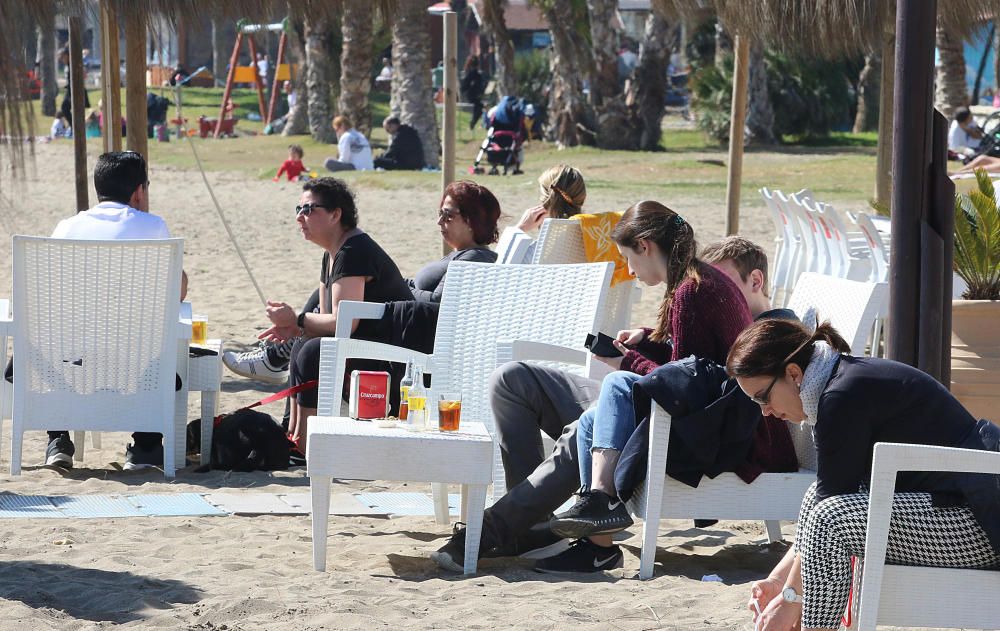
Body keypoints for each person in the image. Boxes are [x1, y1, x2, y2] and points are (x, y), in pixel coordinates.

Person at [432, 205, 757, 574]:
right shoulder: (694, 281)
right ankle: (533, 526)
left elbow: (683, 391)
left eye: (628, 258)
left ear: (645, 245)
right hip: (673, 411)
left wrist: (628, 363)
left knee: (587, 426)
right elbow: (692, 364)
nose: (630, 271)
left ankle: (500, 528)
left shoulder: (692, 291)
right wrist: (648, 342)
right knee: (511, 380)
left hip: (697, 430)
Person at [732, 319, 1000, 631]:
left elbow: (828, 515)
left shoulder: (840, 397)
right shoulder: (839, 381)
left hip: (980, 525)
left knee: (830, 520)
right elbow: (825, 496)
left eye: (762, 397)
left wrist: (791, 600)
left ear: (793, 373)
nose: (764, 411)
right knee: (818, 504)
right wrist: (778, 582)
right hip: (967, 509)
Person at [222, 181, 503, 383]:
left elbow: (440, 306)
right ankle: (285, 350)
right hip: (396, 328)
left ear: (471, 221)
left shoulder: (475, 259)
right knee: (325, 304)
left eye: (448, 214)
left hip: (408, 345)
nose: (439, 221)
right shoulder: (457, 256)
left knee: (317, 336)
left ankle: (283, 350)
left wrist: (404, 288)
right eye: (439, 213)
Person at [24, 151, 188, 470]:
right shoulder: (152, 226)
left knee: (41, 348)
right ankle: (145, 446)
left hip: (70, 362)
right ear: (139, 190)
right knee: (167, 357)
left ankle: (58, 439)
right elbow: (176, 292)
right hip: (133, 364)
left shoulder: (66, 228)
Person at [254, 178, 412, 450]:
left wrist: (297, 321)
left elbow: (344, 323)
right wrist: (297, 330)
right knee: (303, 345)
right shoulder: (333, 252)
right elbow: (328, 323)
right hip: (370, 348)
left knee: (311, 351)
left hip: (398, 362)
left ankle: (304, 446)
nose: (299, 217)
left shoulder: (354, 251)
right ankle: (292, 435)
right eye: (298, 209)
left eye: (308, 209)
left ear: (336, 214)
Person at [501, 164, 587, 264]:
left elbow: (499, 269)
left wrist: (520, 228)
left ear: (546, 198)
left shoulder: (540, 252)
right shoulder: (595, 238)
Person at [460, 56, 485, 131]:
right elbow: (464, 87)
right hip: (469, 96)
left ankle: (474, 124)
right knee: (479, 107)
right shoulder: (470, 73)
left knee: (480, 107)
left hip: (475, 95)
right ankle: (472, 124)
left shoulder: (475, 73)